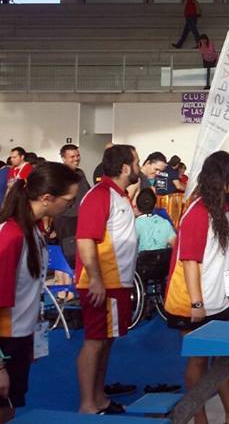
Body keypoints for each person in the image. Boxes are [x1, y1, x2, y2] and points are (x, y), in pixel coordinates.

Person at [162, 151, 229, 424]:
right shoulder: (198, 211)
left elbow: (224, 259)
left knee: (223, 357)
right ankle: (199, 417)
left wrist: (226, 296)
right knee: (199, 360)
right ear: (219, 176)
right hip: (192, 300)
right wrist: (197, 303)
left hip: (217, 297)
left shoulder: (225, 209)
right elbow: (190, 261)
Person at [0, 162, 82, 423]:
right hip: (5, 340)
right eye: (68, 201)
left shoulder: (33, 231)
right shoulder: (10, 236)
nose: (70, 206)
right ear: (47, 199)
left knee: (9, 410)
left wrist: (32, 340)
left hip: (20, 337)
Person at [76, 144, 141, 415]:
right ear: (125, 167)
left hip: (119, 281)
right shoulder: (100, 195)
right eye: (137, 162)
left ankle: (99, 396)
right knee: (95, 341)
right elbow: (85, 238)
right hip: (104, 281)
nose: (140, 167)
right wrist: (95, 280)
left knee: (106, 341)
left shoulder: (119, 195)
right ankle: (87, 404)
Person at [53, 143, 91, 264]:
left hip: (81, 218)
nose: (76, 159)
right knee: (69, 255)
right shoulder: (59, 175)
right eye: (72, 156)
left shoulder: (80, 173)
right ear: (63, 158)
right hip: (66, 218)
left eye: (77, 155)